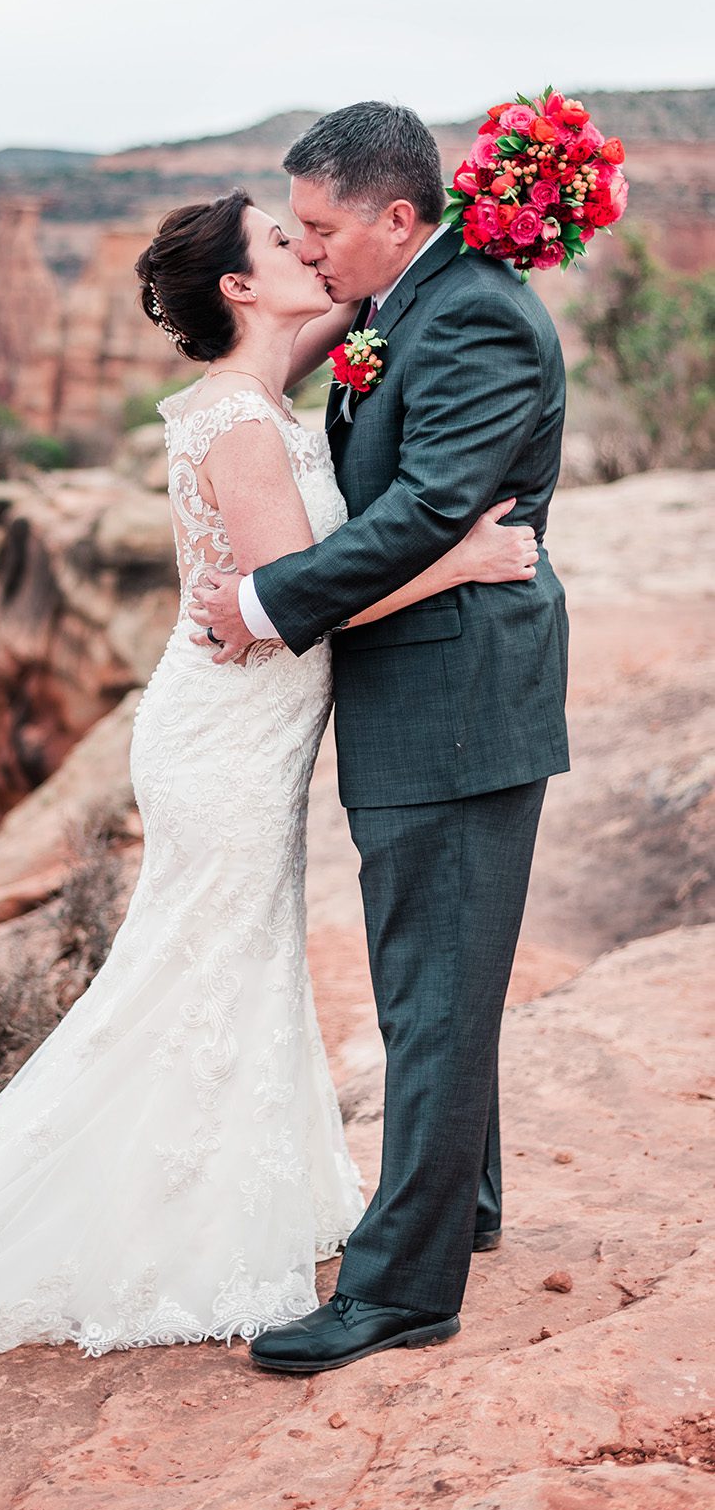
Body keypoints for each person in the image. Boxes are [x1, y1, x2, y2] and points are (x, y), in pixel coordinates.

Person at [0, 172, 539, 1434]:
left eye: (314, 233)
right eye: (286, 240)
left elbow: (402, 287)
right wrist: (461, 555)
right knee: (201, 967)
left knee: (241, 965)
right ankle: (154, 1221)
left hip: (244, 727)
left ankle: (250, 1195)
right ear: (239, 285)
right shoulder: (236, 420)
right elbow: (291, 607)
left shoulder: (268, 384)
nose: (309, 252)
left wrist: (503, 218)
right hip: (227, 732)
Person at [191, 101, 568, 1375]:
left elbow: (423, 514)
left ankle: (404, 1291)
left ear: (397, 218)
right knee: (440, 979)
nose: (313, 252)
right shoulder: (417, 299)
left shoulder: (466, 316)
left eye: (322, 228)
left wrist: (259, 606)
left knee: (432, 990)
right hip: (434, 689)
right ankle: (461, 1206)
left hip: (456, 699)